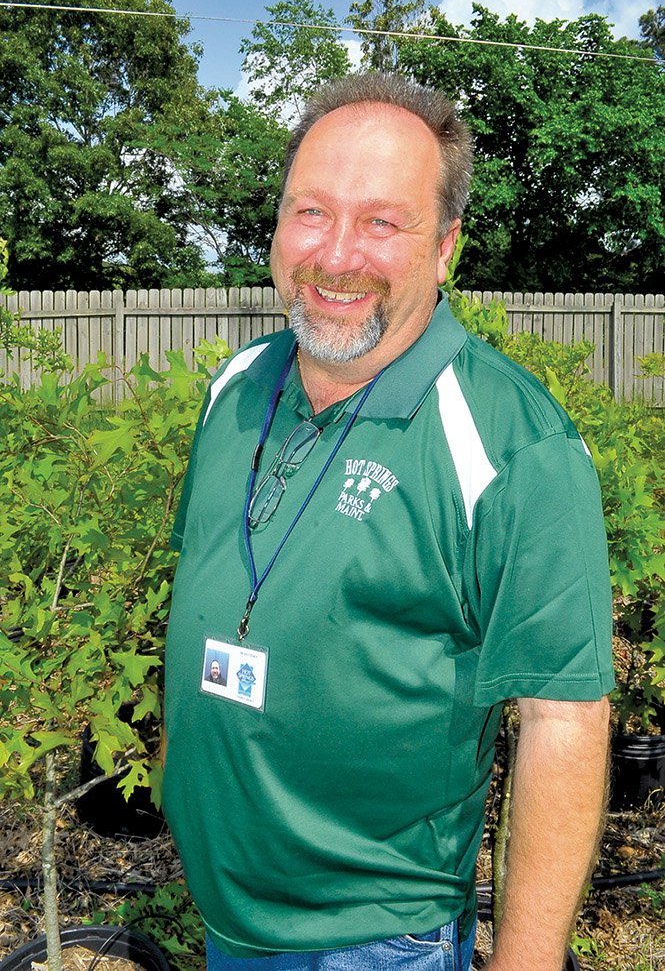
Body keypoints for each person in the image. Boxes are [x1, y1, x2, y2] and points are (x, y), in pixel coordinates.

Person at [162, 73, 614, 971]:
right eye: (311, 212)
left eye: (381, 222)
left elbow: (564, 719)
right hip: (224, 912)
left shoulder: (511, 442)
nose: (335, 255)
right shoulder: (235, 386)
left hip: (370, 940)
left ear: (444, 247)